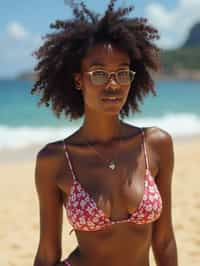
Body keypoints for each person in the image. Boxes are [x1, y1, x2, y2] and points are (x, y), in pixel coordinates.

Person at [32, 1, 178, 265]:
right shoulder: (53, 160)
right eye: (99, 74)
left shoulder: (155, 145)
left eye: (122, 73)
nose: (113, 85)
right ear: (79, 80)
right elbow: (47, 253)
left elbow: (164, 239)